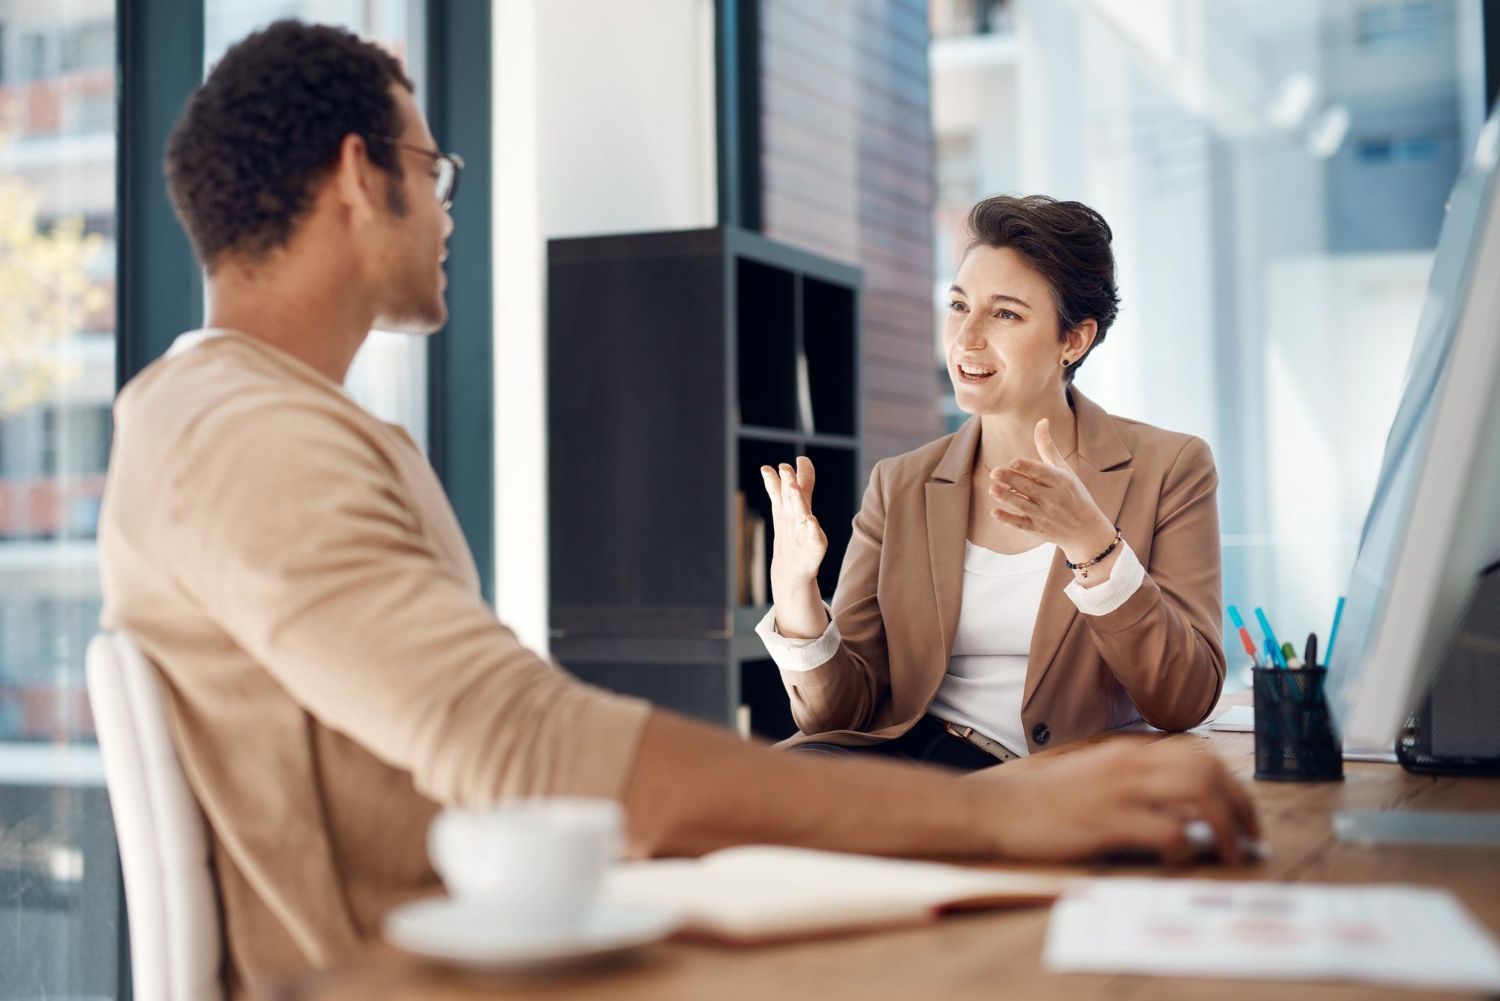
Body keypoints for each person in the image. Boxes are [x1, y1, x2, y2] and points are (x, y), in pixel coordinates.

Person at [98, 22, 1257, 995]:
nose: (450, 210)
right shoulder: (239, 432)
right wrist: (1008, 818)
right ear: (360, 177)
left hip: (494, 931)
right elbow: (525, 744)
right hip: (416, 970)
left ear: (1075, 337)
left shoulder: (290, 426)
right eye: (433, 171)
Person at [757, 194, 1225, 770]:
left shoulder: (1170, 467)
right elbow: (841, 715)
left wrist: (1093, 546)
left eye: (1005, 313)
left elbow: (1186, 697)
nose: (966, 338)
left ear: (1072, 340)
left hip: (1052, 782)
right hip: (909, 763)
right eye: (958, 306)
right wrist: (795, 593)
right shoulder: (899, 484)